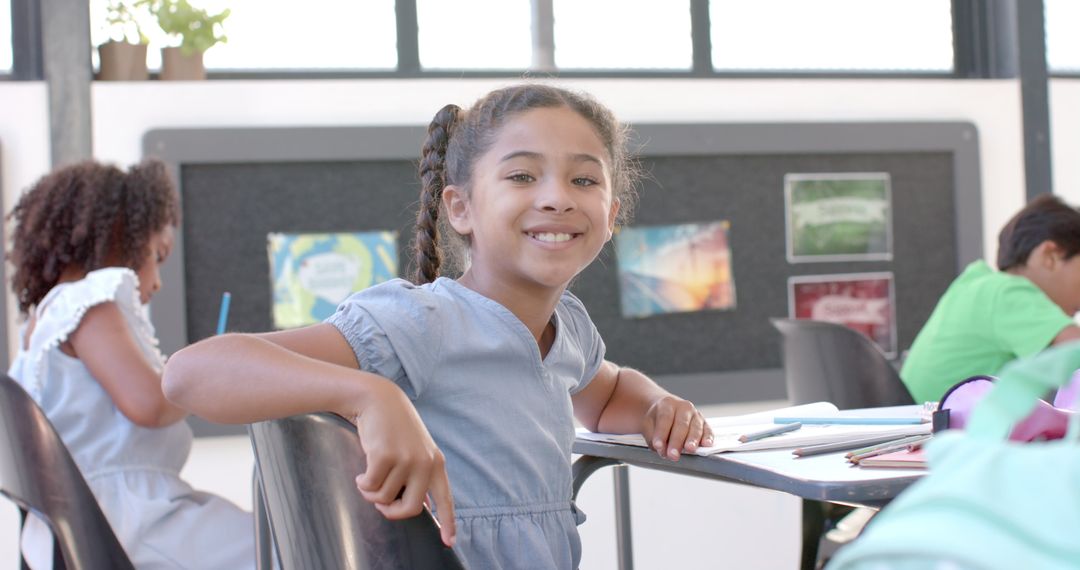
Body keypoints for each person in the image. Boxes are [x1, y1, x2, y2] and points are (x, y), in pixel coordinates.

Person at [163, 83, 714, 569]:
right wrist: (369, 394)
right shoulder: (423, 321)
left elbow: (609, 390)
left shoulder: (567, 326)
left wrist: (654, 405)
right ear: (460, 208)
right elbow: (190, 374)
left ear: (612, 214)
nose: (556, 197)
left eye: (584, 179)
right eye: (522, 175)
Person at [7, 160, 254, 569]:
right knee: (282, 547)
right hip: (127, 521)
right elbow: (149, 404)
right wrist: (204, 376)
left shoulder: (42, 327)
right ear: (121, 232)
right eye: (157, 256)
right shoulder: (86, 304)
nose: (156, 282)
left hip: (84, 524)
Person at [900, 193, 1080, 403]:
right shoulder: (1008, 292)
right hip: (940, 431)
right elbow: (1075, 348)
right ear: (1050, 256)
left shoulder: (976, 286)